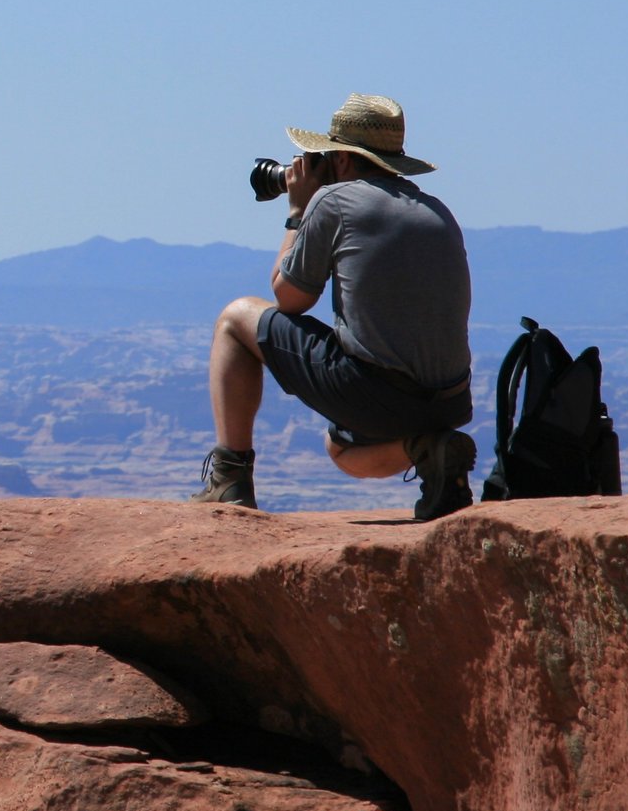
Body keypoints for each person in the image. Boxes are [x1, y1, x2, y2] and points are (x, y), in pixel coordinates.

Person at [190, 93, 475, 520]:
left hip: (375, 394)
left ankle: (229, 477)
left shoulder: (334, 201)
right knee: (341, 449)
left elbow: (290, 299)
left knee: (235, 318)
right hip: (449, 402)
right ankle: (429, 449)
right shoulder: (436, 210)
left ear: (341, 159)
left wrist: (298, 210)